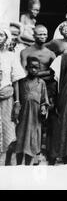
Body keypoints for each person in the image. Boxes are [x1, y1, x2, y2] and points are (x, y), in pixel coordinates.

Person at [20, 25, 57, 164]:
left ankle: (41, 153)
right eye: (40, 34)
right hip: (29, 89)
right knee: (28, 121)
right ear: (34, 35)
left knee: (44, 121)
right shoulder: (25, 52)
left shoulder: (50, 54)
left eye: (45, 34)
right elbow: (24, 72)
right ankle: (25, 152)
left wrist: (40, 76)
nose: (42, 37)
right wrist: (43, 74)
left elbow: (53, 74)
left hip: (46, 89)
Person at [15, 56, 49, 165]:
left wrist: (43, 108)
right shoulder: (21, 82)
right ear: (26, 68)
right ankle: (19, 165)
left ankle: (30, 166)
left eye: (36, 67)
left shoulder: (41, 83)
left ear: (39, 68)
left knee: (33, 140)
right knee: (21, 140)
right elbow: (17, 99)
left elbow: (44, 100)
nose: (33, 70)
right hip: (23, 116)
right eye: (31, 67)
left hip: (35, 117)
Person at [0, 26, 25, 165]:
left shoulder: (11, 56)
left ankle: (5, 163)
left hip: (6, 98)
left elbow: (16, 80)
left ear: (6, 38)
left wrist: (17, 101)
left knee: (8, 130)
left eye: (1, 35)